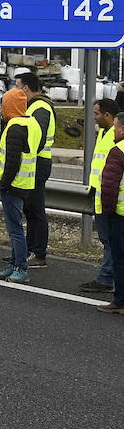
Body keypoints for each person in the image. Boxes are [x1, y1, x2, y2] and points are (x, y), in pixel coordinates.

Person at [0, 88, 39, 283]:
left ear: (10, 106)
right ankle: (13, 264)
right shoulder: (32, 123)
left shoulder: (15, 127)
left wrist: (4, 183)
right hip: (26, 182)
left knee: (15, 229)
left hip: (13, 184)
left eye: (4, 105)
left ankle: (21, 268)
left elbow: (12, 161)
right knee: (15, 227)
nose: (2, 109)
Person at [16, 72, 55, 269]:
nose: (15, 90)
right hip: (34, 162)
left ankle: (39, 254)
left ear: (25, 88)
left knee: (36, 209)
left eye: (17, 86)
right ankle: (28, 251)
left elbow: (36, 138)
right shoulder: (33, 105)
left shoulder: (41, 107)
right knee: (30, 208)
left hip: (39, 163)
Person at [82, 99, 119, 294]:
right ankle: (108, 277)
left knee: (110, 239)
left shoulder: (116, 135)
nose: (94, 117)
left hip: (109, 196)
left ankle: (106, 278)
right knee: (108, 239)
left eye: (97, 113)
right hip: (100, 193)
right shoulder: (104, 133)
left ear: (107, 115)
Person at [94, 113, 124, 314]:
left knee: (120, 258)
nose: (113, 131)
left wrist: (107, 211)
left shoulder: (118, 151)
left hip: (120, 215)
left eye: (115, 127)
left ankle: (120, 301)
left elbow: (110, 186)